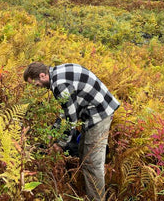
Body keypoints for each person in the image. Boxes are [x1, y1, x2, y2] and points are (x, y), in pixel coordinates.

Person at [24, 62, 120, 201]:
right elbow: (67, 109)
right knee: (84, 155)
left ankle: (97, 199)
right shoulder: (57, 73)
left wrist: (60, 145)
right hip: (94, 111)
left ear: (42, 75)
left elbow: (71, 120)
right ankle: (86, 191)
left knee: (92, 163)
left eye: (36, 84)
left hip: (99, 114)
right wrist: (54, 131)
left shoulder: (60, 85)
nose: (37, 88)